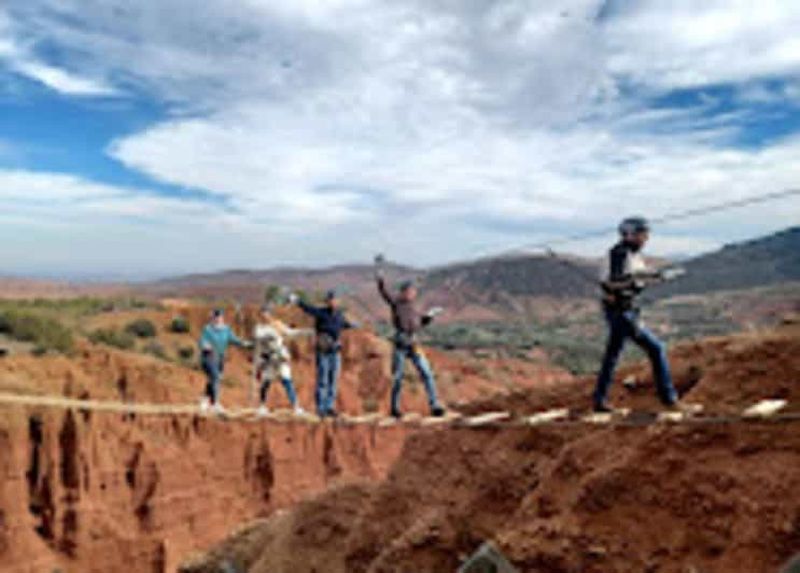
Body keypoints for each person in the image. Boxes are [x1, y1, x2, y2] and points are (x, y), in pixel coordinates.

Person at [593, 216, 684, 413]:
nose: (646, 238)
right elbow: (613, 283)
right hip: (620, 311)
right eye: (643, 234)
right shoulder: (619, 254)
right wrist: (636, 282)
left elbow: (635, 276)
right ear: (630, 234)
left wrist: (655, 276)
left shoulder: (632, 255)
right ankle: (669, 399)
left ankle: (599, 400)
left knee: (612, 356)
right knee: (656, 349)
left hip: (624, 310)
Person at [376, 265, 446, 418]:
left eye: (414, 292)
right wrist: (379, 274)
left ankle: (434, 405)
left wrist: (429, 317)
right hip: (401, 343)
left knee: (426, 373)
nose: (413, 294)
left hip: (413, 343)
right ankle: (395, 408)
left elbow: (418, 323)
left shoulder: (413, 307)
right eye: (411, 291)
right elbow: (384, 293)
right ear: (404, 291)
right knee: (398, 377)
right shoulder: (396, 302)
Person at [292, 290, 358, 417]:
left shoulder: (339, 315)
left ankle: (329, 407)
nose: (333, 302)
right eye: (331, 300)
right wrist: (298, 301)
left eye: (335, 300)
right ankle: (320, 408)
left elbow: (345, 325)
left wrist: (354, 325)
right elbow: (308, 309)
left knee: (333, 380)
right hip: (323, 351)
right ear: (327, 301)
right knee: (323, 379)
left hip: (335, 351)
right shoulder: (321, 313)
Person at [252, 304, 311, 417]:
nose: (265, 315)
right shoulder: (259, 328)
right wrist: (259, 362)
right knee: (266, 382)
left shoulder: (277, 324)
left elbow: (290, 333)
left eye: (267, 313)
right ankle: (262, 407)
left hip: (280, 357)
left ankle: (296, 407)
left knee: (286, 380)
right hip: (268, 358)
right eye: (263, 313)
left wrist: (307, 332)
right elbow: (258, 339)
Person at [198, 309, 252, 414]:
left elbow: (234, 340)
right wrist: (205, 345)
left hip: (220, 359)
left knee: (213, 379)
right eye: (216, 317)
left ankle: (204, 400)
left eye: (220, 317)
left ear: (222, 318)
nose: (218, 319)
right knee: (215, 377)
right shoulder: (208, 329)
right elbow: (202, 341)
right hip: (208, 357)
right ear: (212, 318)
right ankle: (215, 404)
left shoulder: (226, 330)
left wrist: (246, 344)